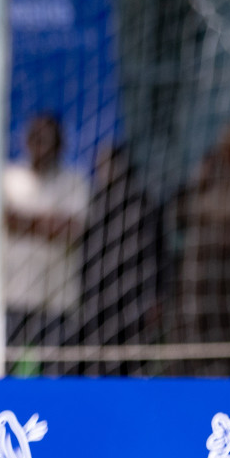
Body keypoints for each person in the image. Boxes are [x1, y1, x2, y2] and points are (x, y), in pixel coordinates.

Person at [174, 121, 230, 377]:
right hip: (201, 288)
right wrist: (198, 181)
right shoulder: (210, 181)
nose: (225, 155)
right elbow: (180, 213)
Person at [3, 113, 90, 374]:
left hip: (57, 301)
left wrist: (24, 222)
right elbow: (7, 220)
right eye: (34, 137)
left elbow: (72, 230)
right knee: (2, 374)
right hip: (11, 297)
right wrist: (49, 223)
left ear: (60, 144)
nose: (39, 144)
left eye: (46, 139)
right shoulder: (9, 178)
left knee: (56, 377)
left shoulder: (75, 181)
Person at [76, 143, 166, 376]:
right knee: (100, 360)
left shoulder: (142, 203)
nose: (102, 171)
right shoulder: (95, 202)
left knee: (134, 361)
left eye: (106, 164)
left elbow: (158, 253)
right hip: (99, 301)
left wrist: (156, 296)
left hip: (135, 300)